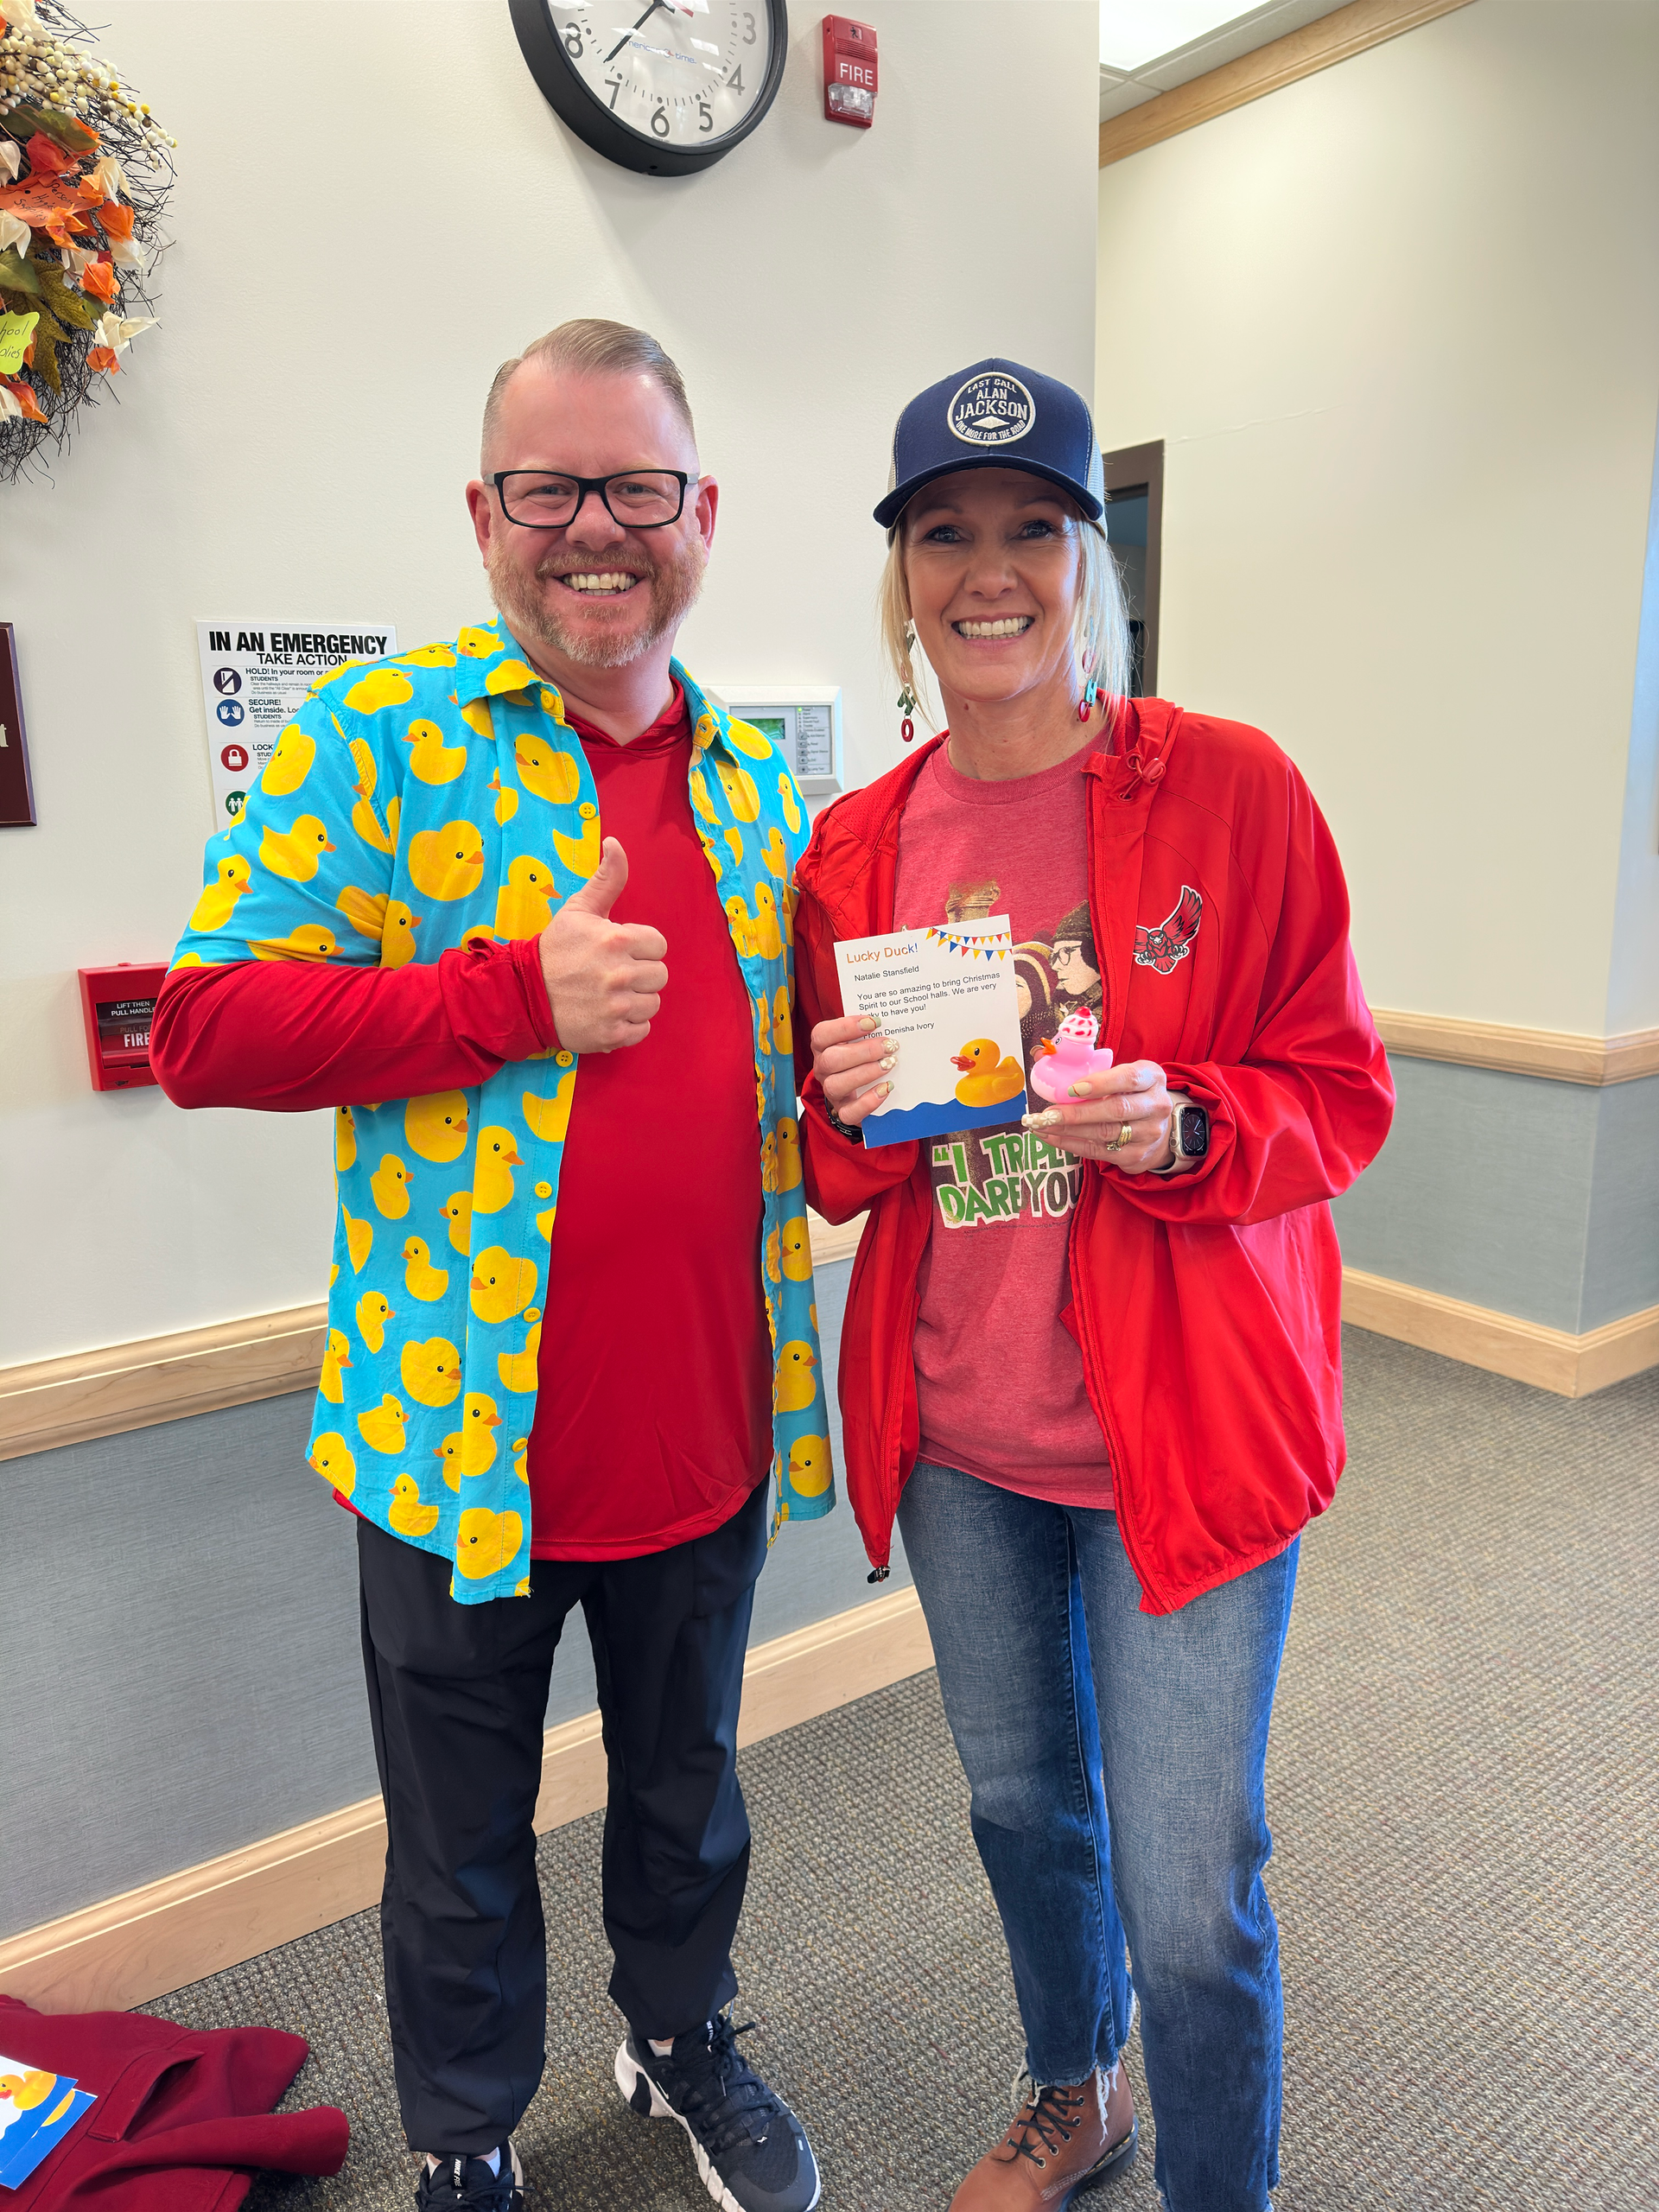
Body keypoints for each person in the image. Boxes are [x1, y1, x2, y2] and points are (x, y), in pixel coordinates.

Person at [152, 319, 829, 2212]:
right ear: (485, 511)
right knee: (457, 1841)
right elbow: (206, 1027)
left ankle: (681, 2040)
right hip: (462, 1446)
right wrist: (508, 996)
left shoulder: (765, 788)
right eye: (552, 486)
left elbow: (779, 1095)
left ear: (703, 514)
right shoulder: (378, 742)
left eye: (638, 486)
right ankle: (465, 2129)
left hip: (708, 1424)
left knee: (688, 1798)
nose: (595, 527)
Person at [792, 359, 1394, 2212]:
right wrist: (843, 1096)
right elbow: (840, 1167)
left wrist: (1188, 1121)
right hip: (967, 1431)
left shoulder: (1230, 786)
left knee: (1190, 1888)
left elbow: (1343, 1093)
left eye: (1031, 529)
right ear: (902, 578)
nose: (991, 573)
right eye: (945, 536)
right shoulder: (857, 841)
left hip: (1182, 1432)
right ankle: (1078, 2088)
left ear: (1088, 556)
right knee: (1015, 1809)